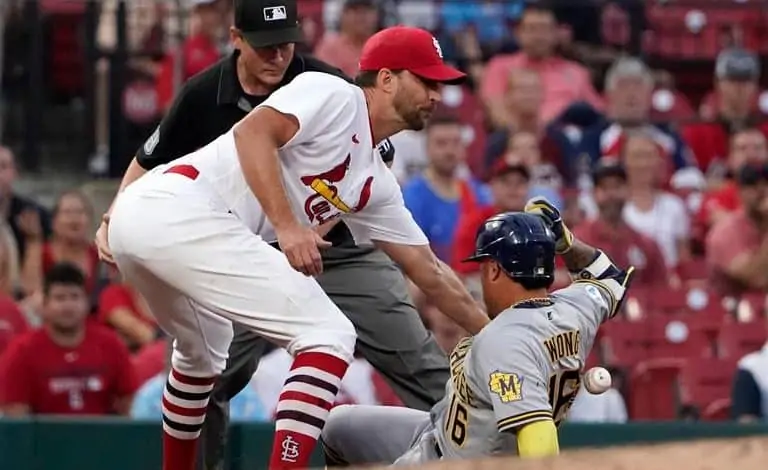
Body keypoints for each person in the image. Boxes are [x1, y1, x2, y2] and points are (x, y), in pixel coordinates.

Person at [105, 22, 488, 470]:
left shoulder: (374, 182)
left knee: (203, 355)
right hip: (176, 205)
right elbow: (252, 133)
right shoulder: (335, 94)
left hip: (164, 227)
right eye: (426, 80)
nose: (437, 94)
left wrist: (499, 334)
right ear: (386, 78)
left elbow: (431, 274)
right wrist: (288, 227)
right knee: (330, 335)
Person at [320, 198, 634, 465]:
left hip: (456, 461)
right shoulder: (576, 307)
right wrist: (565, 240)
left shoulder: (504, 341)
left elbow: (538, 437)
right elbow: (610, 277)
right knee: (337, 426)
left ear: (495, 270)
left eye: (484, 267)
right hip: (440, 429)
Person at [0, 263, 137, 416]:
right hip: (42, 438)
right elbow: (16, 415)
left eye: (75, 297)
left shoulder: (111, 345)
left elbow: (129, 404)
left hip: (102, 437)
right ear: (44, 305)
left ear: (86, 302)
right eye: (60, 298)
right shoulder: (21, 351)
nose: (68, 306)